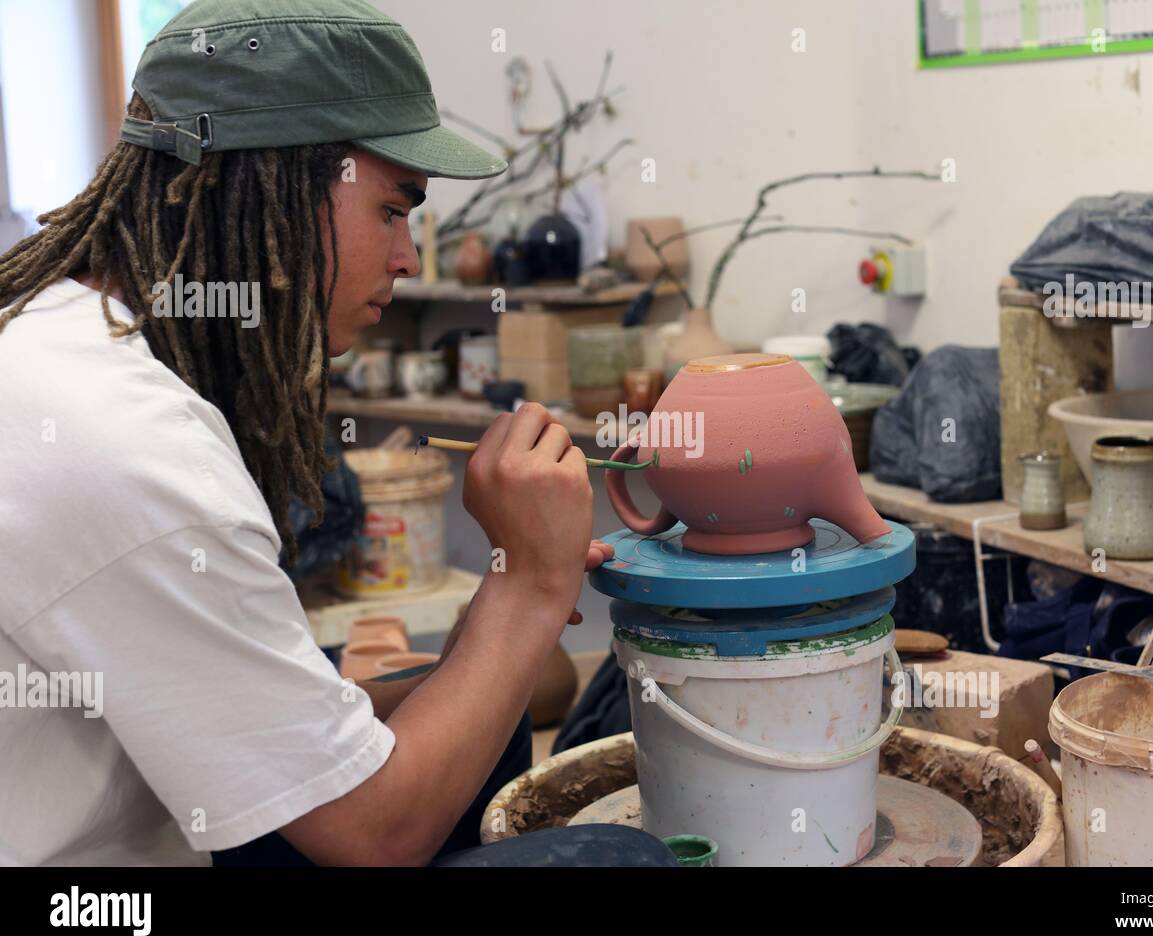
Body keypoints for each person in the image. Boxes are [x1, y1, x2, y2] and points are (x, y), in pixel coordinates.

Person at [0, 0, 672, 867]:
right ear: (270, 181)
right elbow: (372, 837)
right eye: (393, 211)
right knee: (624, 863)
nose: (410, 259)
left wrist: (485, 632)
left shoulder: (55, 332)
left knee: (482, 721)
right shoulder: (131, 447)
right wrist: (531, 592)